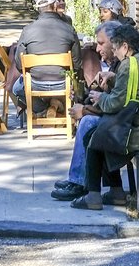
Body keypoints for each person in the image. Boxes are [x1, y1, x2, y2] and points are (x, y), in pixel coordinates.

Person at [71, 22, 139, 211]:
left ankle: (93, 196)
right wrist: (115, 78)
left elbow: (117, 104)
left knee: (94, 137)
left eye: (116, 49)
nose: (116, 54)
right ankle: (116, 192)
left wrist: (101, 97)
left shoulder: (130, 65)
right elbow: (135, 92)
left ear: (125, 47)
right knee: (102, 134)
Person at [52, 20, 123, 202]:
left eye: (101, 43)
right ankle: (79, 180)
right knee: (90, 122)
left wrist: (84, 111)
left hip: (129, 125)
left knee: (89, 123)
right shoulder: (117, 65)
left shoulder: (126, 66)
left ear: (116, 43)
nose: (98, 49)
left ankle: (80, 183)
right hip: (122, 119)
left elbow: (116, 105)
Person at [12, 0, 81, 124]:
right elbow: (77, 63)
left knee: (17, 88)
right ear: (54, 5)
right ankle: (55, 107)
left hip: (36, 83)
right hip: (63, 82)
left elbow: (19, 63)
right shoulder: (68, 29)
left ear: (38, 9)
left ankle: (44, 109)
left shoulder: (28, 30)